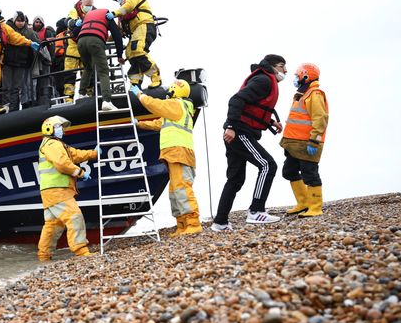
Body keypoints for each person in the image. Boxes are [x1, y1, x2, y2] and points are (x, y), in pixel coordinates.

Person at [212, 54, 287, 231]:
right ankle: (256, 211)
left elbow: (254, 109)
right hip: (239, 132)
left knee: (236, 179)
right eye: (282, 66)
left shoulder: (264, 80)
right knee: (268, 165)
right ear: (271, 66)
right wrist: (231, 126)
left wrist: (270, 123)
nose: (285, 71)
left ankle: (220, 222)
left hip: (238, 131)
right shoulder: (264, 80)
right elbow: (236, 100)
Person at [130, 80, 201, 236]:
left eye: (171, 89)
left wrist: (140, 95)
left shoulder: (176, 105)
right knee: (175, 190)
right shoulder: (178, 110)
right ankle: (182, 225)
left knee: (182, 188)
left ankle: (193, 222)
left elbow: (156, 105)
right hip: (175, 153)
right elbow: (159, 123)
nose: (168, 91)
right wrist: (139, 124)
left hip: (179, 152)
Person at [37, 116, 99, 261]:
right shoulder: (52, 144)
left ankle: (44, 256)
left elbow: (75, 154)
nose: (62, 130)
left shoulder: (57, 145)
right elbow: (62, 164)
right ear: (49, 128)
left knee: (53, 224)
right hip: (57, 190)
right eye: (58, 127)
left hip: (50, 191)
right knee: (74, 216)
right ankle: (81, 250)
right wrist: (80, 173)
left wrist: (94, 153)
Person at [280, 63, 328, 217]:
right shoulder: (303, 93)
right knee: (289, 171)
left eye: (298, 75)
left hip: (308, 143)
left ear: (305, 76)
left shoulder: (315, 93)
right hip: (295, 145)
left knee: (310, 174)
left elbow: (320, 118)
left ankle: (315, 207)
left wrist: (314, 140)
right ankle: (303, 203)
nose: (295, 78)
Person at [111, 0, 161, 89]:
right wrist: (105, 39)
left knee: (137, 50)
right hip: (136, 32)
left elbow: (129, 6)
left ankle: (155, 77)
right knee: (130, 53)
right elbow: (120, 31)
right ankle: (135, 84)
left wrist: (114, 13)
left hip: (144, 25)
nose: (118, 0)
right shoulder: (122, 14)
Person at [76, 8, 124, 111]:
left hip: (81, 42)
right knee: (103, 71)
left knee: (88, 68)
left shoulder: (87, 16)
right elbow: (116, 35)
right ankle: (106, 101)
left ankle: (81, 94)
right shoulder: (106, 15)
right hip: (95, 41)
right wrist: (119, 55)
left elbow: (76, 31)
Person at [2, 11, 39, 111]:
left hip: (21, 64)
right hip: (7, 63)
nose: (21, 23)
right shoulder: (6, 29)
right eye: (18, 21)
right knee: (6, 87)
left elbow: (37, 43)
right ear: (14, 20)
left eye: (22, 21)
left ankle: (14, 110)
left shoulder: (29, 32)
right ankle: (5, 109)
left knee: (16, 88)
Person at [62, 0, 95, 101]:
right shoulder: (74, 10)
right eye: (87, 5)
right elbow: (68, 21)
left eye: (90, 5)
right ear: (82, 2)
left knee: (88, 74)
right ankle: (68, 99)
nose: (88, 7)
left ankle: (88, 97)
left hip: (86, 48)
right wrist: (76, 22)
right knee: (69, 76)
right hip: (73, 48)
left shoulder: (95, 12)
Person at [33, 16, 55, 104]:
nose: (38, 24)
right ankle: (36, 100)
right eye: (36, 22)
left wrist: (51, 58)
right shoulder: (32, 32)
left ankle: (46, 99)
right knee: (36, 81)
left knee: (45, 79)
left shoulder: (48, 32)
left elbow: (52, 46)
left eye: (39, 22)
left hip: (45, 59)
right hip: (35, 60)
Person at [52, 18, 68, 98]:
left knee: (61, 85)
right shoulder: (65, 35)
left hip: (61, 62)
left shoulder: (60, 36)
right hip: (62, 61)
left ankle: (64, 98)